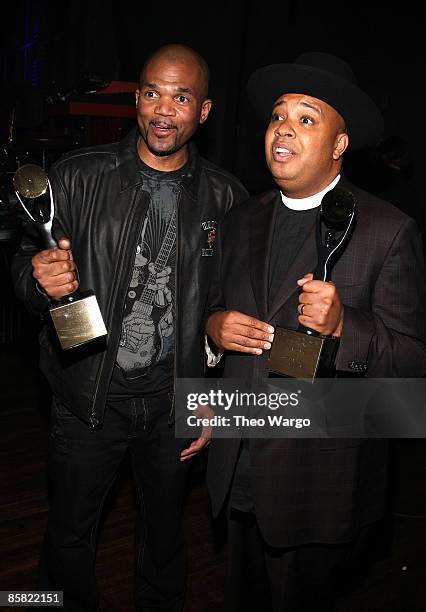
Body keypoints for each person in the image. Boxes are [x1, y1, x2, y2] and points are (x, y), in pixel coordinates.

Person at [12, 43, 248, 611]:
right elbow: (24, 265)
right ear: (137, 99)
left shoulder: (227, 198)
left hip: (172, 403)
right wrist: (35, 279)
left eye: (181, 97)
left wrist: (210, 400)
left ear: (205, 111)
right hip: (88, 396)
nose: (163, 110)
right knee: (69, 536)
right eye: (151, 93)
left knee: (166, 539)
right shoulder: (78, 175)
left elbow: (225, 310)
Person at [205, 52, 426, 611]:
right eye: (278, 115)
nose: (284, 127)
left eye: (307, 118)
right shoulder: (239, 219)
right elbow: (210, 311)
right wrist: (212, 330)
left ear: (339, 144)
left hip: (319, 480)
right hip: (238, 459)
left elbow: (412, 368)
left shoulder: (388, 230)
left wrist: (345, 326)